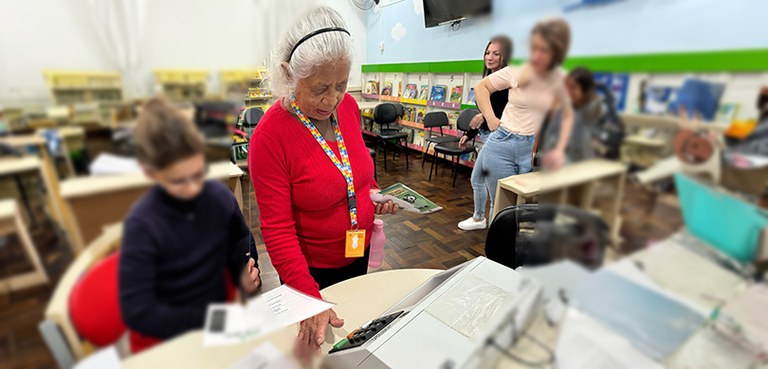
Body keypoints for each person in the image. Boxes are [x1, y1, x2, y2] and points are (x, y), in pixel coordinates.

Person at [249, 6, 398, 356]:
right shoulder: (270, 137)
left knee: (356, 338)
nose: (331, 100)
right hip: (309, 270)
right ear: (289, 75)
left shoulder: (346, 107)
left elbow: (356, 169)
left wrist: (374, 192)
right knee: (318, 352)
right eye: (320, 88)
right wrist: (308, 295)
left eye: (342, 85)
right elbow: (278, 230)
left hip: (355, 250)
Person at [119, 97, 261, 353]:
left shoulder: (219, 196)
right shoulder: (142, 224)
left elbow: (243, 242)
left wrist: (249, 273)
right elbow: (139, 311)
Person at [458, 18, 575, 231]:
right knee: (501, 204)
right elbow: (481, 88)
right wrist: (491, 119)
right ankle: (495, 252)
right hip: (503, 142)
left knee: (521, 205)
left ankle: (513, 251)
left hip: (528, 146)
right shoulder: (518, 70)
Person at [457, 36, 512, 231]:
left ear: (504, 57)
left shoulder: (507, 82)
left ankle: (491, 228)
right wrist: (469, 134)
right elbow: (481, 116)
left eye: (496, 54)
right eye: (487, 53)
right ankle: (480, 218)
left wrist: (486, 115)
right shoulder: (486, 82)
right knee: (478, 180)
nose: (490, 57)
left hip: (498, 140)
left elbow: (504, 113)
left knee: (491, 187)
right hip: (487, 137)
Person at [539, 67, 602, 163]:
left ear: (585, 90)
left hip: (578, 165)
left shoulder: (591, 109)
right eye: (566, 87)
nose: (567, 92)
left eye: (573, 87)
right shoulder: (563, 107)